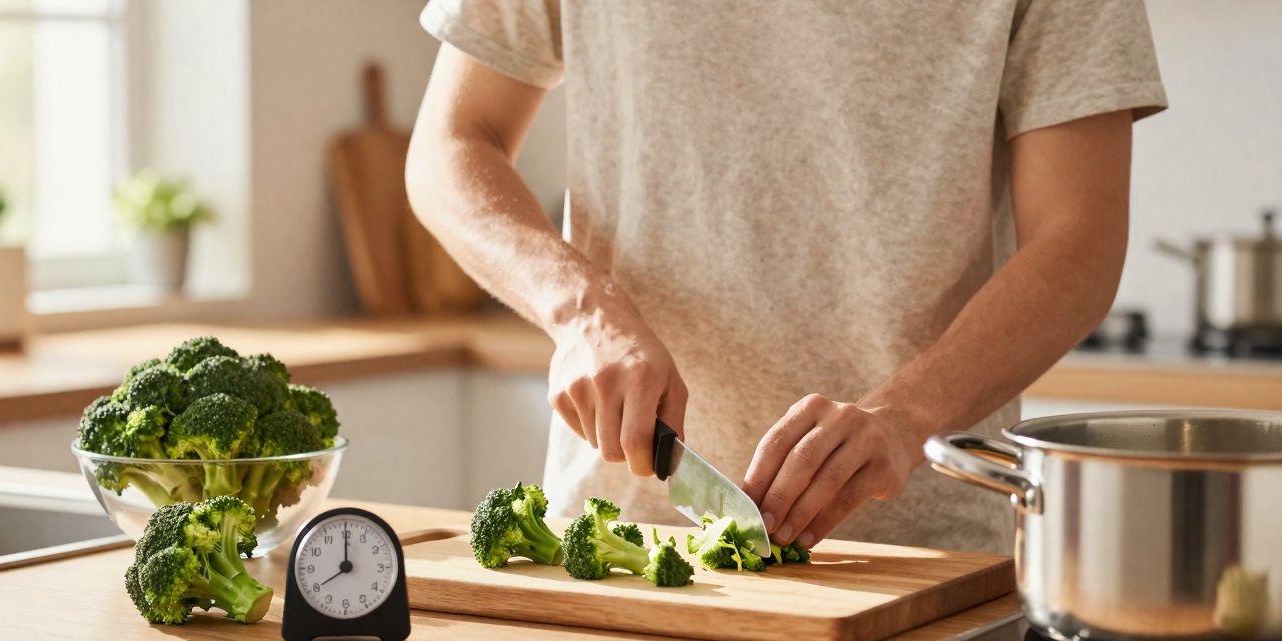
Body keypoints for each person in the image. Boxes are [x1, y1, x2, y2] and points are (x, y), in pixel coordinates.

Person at [406, 1, 1167, 554]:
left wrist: (904, 417)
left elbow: (1079, 239)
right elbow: (451, 144)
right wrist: (580, 311)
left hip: (920, 565)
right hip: (620, 541)